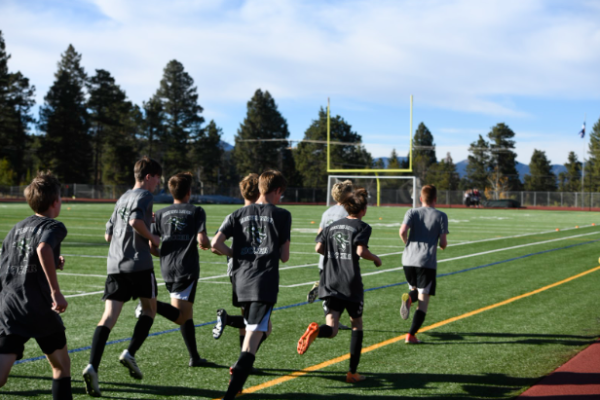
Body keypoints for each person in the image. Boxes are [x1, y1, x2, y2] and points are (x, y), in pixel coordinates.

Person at [82, 157, 162, 397]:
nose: (158, 183)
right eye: (157, 178)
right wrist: (152, 237)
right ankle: (130, 353)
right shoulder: (145, 196)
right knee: (149, 310)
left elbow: (108, 235)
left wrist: (138, 230)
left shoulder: (122, 198)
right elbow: (135, 221)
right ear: (148, 177)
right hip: (138, 265)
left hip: (115, 265)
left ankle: (92, 366)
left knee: (108, 317)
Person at [211, 170, 291, 399]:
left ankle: (237, 379)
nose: (280, 198)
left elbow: (215, 243)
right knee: (252, 340)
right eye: (280, 194)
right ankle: (231, 391)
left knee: (256, 330)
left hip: (240, 281)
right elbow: (284, 256)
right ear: (275, 191)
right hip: (263, 282)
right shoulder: (282, 215)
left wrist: (236, 255)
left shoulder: (238, 213)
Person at [297, 188, 382, 383]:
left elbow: (318, 247)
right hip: (350, 283)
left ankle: (317, 330)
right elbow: (361, 251)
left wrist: (333, 255)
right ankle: (352, 372)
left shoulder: (332, 226)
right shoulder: (363, 227)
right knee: (356, 325)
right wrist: (376, 258)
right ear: (364, 209)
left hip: (329, 280)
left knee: (332, 328)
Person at [0, 172, 73, 400]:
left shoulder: (15, 229)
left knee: (1, 376)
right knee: (61, 366)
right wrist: (56, 292)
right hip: (39, 307)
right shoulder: (54, 225)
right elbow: (42, 248)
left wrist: (52, 263)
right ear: (55, 202)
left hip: (11, 307)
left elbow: (10, 264)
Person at [144, 172, 210, 367]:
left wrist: (164, 253)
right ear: (189, 192)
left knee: (186, 313)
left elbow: (152, 247)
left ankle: (195, 357)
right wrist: (207, 244)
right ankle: (150, 305)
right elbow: (202, 239)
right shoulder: (196, 210)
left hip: (167, 267)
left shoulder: (161, 213)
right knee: (180, 315)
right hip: (186, 268)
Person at [212, 173, 260, 350]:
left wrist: (233, 254)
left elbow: (215, 245)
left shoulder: (234, 215)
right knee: (261, 324)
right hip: (255, 272)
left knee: (247, 316)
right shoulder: (265, 216)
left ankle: (244, 358)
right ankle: (228, 321)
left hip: (235, 272)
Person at [398, 184, 448, 344]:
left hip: (407, 259)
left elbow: (402, 231)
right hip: (426, 261)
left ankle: (409, 299)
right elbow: (444, 242)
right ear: (435, 199)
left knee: (414, 289)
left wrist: (407, 244)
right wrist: (441, 245)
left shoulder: (411, 212)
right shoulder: (441, 216)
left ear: (420, 198)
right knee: (423, 300)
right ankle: (411, 335)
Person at [306, 180, 354, 304]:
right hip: (340, 259)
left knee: (332, 296)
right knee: (343, 295)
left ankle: (322, 285)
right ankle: (321, 286)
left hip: (325, 257)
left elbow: (319, 235)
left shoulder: (327, 212)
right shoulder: (348, 212)